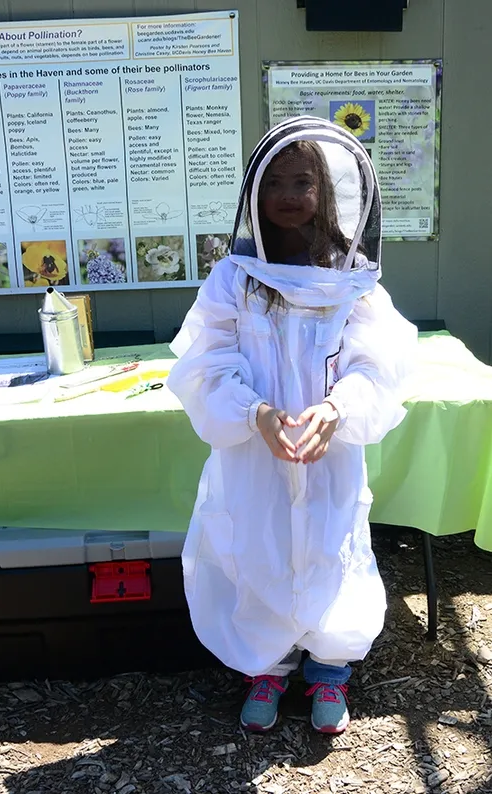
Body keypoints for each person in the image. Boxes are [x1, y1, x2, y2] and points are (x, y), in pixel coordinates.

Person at [167, 117, 417, 734]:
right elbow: (207, 360)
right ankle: (268, 668)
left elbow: (377, 362)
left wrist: (339, 408)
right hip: (256, 451)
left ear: (326, 190)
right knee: (255, 547)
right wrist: (253, 412)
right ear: (253, 193)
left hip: (326, 450)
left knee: (333, 546)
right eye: (274, 181)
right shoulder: (234, 278)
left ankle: (330, 672)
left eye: (301, 181)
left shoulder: (352, 279)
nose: (286, 194)